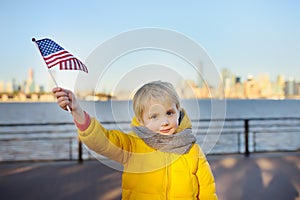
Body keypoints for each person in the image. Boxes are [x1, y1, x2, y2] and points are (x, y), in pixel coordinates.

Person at [53, 80, 218, 200]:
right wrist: (77, 111)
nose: (165, 121)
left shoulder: (192, 150)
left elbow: (207, 190)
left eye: (169, 113)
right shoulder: (132, 146)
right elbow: (102, 141)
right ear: (141, 121)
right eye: (154, 116)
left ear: (178, 111)